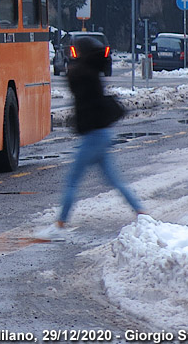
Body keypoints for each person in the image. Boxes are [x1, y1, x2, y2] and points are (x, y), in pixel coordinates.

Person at [45, 34, 144, 236]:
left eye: (77, 50)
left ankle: (60, 223)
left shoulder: (82, 74)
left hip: (93, 137)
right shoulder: (93, 72)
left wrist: (72, 66)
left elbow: (74, 88)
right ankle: (141, 212)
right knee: (114, 180)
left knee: (73, 180)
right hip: (102, 134)